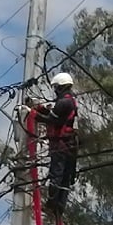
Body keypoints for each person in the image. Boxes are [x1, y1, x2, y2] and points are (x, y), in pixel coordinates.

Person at [32, 72, 78, 217]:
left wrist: (32, 113)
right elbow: (56, 115)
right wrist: (42, 109)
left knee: (56, 175)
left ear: (59, 87)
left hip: (61, 145)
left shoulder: (64, 102)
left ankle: (52, 205)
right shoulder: (71, 101)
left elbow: (52, 120)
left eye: (56, 88)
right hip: (70, 145)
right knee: (65, 176)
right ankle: (59, 207)